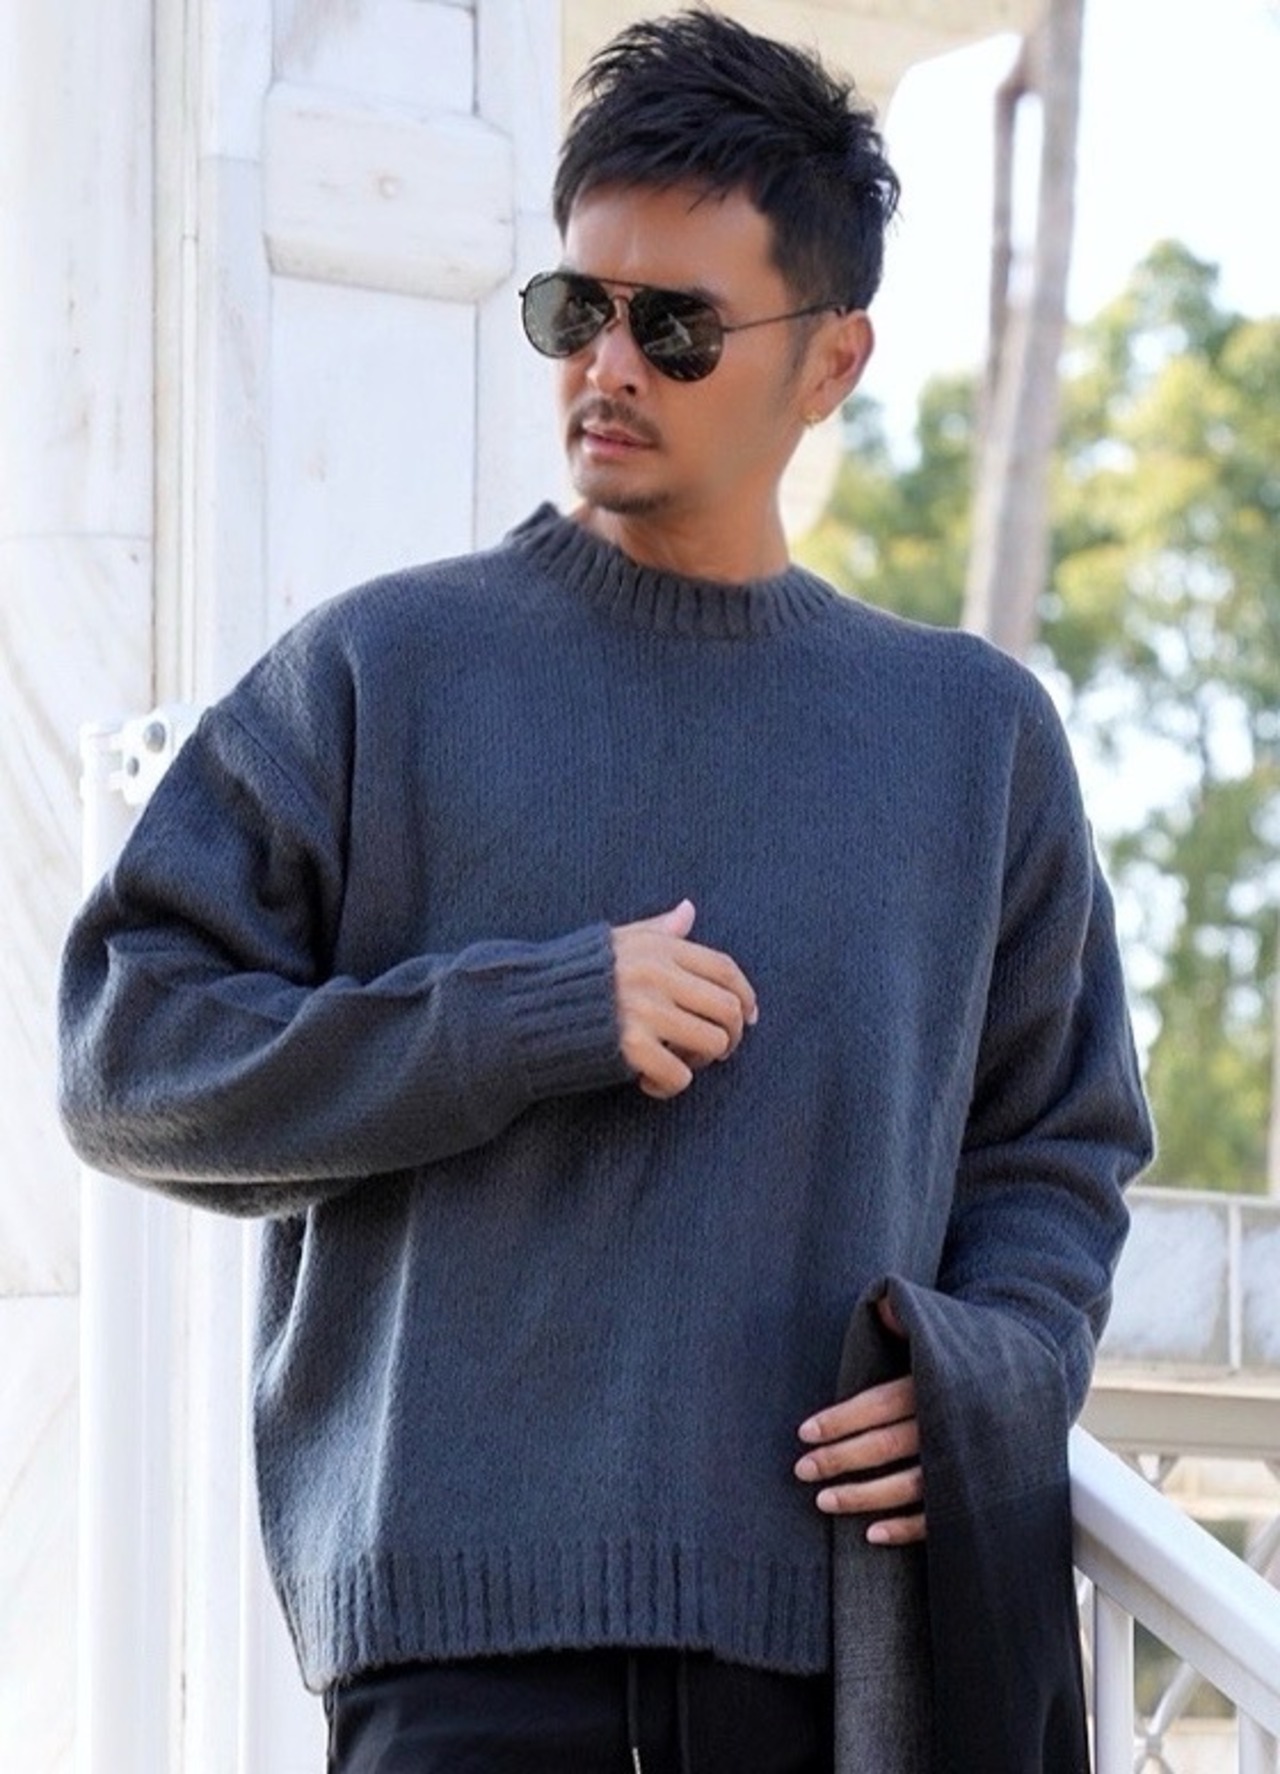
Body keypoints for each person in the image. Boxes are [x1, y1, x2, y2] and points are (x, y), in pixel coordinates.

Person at [58, 10, 1152, 1771]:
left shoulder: (973, 739)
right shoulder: (382, 673)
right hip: (455, 1665)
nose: (607, 365)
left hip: (823, 1667)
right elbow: (131, 1049)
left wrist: (992, 1367)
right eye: (576, 309)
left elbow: (1056, 1145)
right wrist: (524, 1014)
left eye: (678, 327)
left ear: (833, 360)